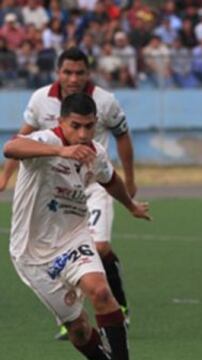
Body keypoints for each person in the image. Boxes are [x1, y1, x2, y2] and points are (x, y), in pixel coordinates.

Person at [0, 47, 137, 340]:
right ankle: (73, 312)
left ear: (88, 73)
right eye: (67, 72)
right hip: (53, 189)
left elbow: (122, 136)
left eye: (79, 72)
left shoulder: (105, 101)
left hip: (92, 186)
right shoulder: (40, 100)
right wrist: (5, 173)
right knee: (75, 312)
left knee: (100, 246)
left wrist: (130, 189)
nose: (73, 78)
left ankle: (116, 306)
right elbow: (18, 140)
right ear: (58, 73)